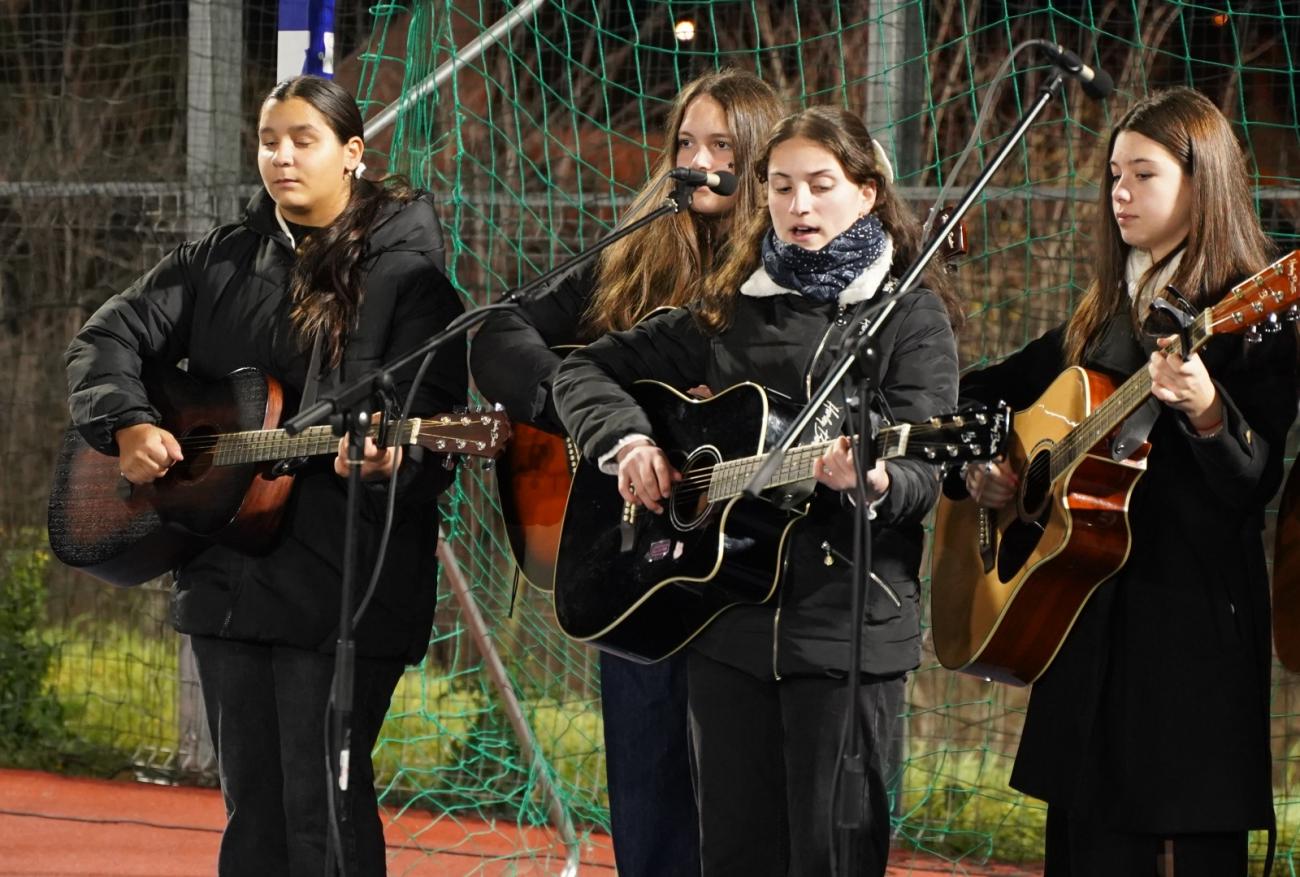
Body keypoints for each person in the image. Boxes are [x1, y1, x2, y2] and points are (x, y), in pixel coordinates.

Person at [64, 75, 467, 875]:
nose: (281, 156)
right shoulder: (215, 260)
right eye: (268, 140)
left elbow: (432, 421)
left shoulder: (412, 281)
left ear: (352, 153)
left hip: (344, 585)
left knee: (324, 814)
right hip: (226, 579)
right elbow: (103, 340)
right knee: (252, 814)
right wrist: (130, 420)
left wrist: (394, 458)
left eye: (303, 140)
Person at [552, 105, 962, 876]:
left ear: (868, 192)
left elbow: (926, 469)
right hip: (726, 629)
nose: (799, 205)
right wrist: (629, 441)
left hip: (844, 634)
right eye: (781, 186)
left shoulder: (908, 316)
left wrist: (876, 478)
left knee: (831, 859)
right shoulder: (729, 307)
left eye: (821, 185)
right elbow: (583, 368)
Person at [954, 87, 1295, 875]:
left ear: (1203, 184)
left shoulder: (1253, 313)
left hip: (1185, 656)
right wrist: (994, 469)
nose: (1120, 192)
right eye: (1114, 174)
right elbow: (978, 393)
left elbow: (1255, 485)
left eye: (1144, 174)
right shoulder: (1103, 316)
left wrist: (1206, 410)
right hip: (1084, 641)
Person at [470, 68, 784, 876]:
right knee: (648, 801)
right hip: (630, 550)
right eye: (686, 142)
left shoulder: (785, 271)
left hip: (737, 566)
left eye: (722, 146)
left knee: (738, 811)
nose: (698, 161)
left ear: (761, 160)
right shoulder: (636, 251)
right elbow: (499, 332)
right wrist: (594, 416)